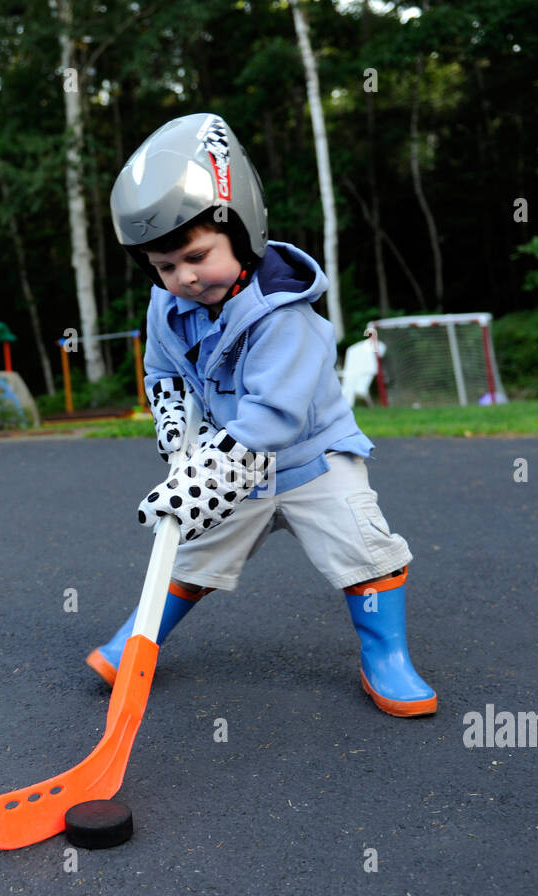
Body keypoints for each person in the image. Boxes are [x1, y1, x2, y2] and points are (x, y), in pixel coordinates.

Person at [88, 112, 435, 717]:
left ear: (242, 232)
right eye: (164, 267)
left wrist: (198, 484)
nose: (184, 278)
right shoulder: (167, 308)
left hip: (312, 460)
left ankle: (387, 658)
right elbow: (163, 372)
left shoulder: (286, 316)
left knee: (366, 555)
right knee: (190, 555)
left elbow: (272, 421)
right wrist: (175, 434)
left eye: (196, 256)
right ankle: (137, 643)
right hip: (232, 462)